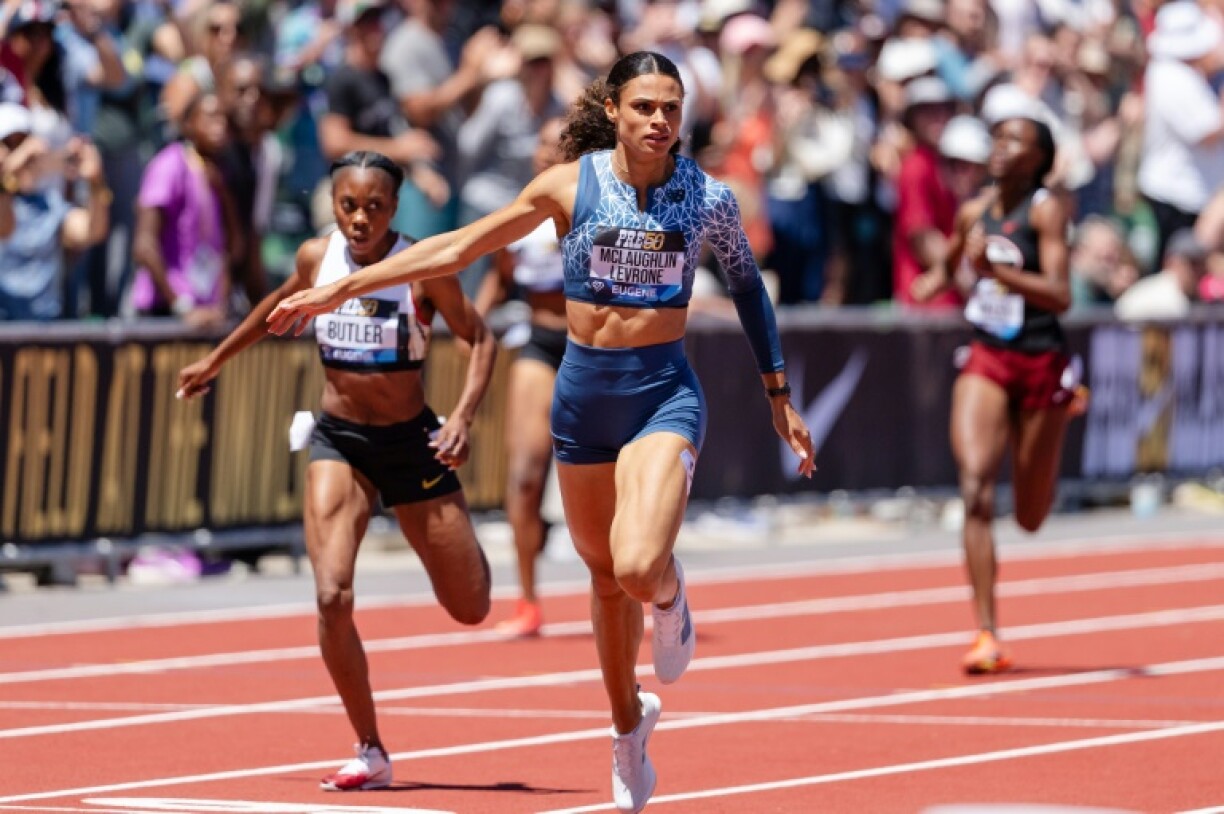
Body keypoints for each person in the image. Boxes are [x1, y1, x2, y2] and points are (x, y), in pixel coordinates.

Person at [267, 51, 815, 814]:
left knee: (634, 566)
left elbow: (750, 289)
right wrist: (339, 287)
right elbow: (458, 247)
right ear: (615, 112)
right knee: (599, 577)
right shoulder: (572, 186)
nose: (659, 121)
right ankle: (628, 729)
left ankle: (671, 592)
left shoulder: (706, 197)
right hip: (584, 397)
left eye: (671, 108)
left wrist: (777, 393)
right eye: (645, 107)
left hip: (661, 392)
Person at [177, 150, 496, 791]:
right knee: (331, 596)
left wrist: (462, 416)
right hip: (339, 440)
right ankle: (371, 747)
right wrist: (214, 362)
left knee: (471, 606)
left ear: (393, 209)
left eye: (373, 207)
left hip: (412, 444)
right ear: (333, 204)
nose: (358, 219)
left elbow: (480, 337)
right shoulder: (313, 258)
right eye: (347, 205)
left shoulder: (421, 268)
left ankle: (464, 546)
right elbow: (274, 308)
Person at [913, 109, 1084, 675]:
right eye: (998, 137)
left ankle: (1063, 411)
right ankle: (986, 631)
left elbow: (1060, 295)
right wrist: (936, 278)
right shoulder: (973, 211)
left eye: (1015, 140)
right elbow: (953, 255)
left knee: (1031, 516)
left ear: (1038, 158)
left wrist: (998, 273)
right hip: (987, 355)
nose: (1000, 147)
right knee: (976, 489)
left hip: (1040, 359)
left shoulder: (1046, 209)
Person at [474, 116, 566, 638]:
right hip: (539, 342)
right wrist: (470, 326)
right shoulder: (519, 215)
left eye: (558, 146)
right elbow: (497, 278)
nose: (547, 153)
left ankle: (632, 588)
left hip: (592, 349)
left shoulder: (595, 208)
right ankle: (528, 600)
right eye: (541, 142)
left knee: (613, 481)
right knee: (526, 474)